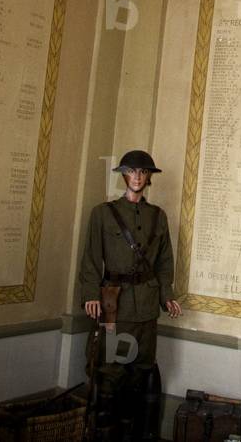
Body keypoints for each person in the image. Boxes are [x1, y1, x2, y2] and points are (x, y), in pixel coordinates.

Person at [79, 149, 182, 441]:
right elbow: (91, 258)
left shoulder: (158, 217)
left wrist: (167, 296)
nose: (137, 176)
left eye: (142, 172)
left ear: (149, 177)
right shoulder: (102, 214)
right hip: (114, 307)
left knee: (140, 372)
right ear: (124, 175)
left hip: (147, 308)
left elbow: (165, 262)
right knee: (111, 373)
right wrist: (90, 293)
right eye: (132, 171)